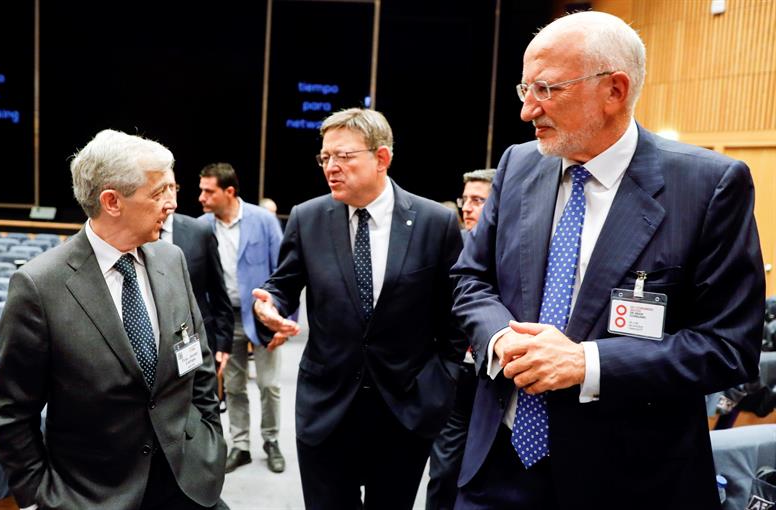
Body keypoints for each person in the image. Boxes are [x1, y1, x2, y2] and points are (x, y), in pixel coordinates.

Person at [451, 11, 764, 510]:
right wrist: (502, 337)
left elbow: (728, 347)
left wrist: (586, 363)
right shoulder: (518, 164)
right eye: (524, 89)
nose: (528, 111)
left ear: (614, 90)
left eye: (547, 90)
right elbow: (471, 279)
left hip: (630, 479)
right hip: (499, 467)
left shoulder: (708, 187)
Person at [0, 129, 226, 510]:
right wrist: (39, 497)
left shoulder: (172, 259)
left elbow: (196, 364)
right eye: (158, 192)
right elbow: (14, 412)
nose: (172, 204)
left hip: (190, 483)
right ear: (112, 201)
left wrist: (211, 440)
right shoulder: (39, 286)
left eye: (173, 188)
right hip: (93, 496)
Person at [252, 107, 465, 509]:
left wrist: (443, 382)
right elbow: (281, 285)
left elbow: (453, 315)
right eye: (325, 157)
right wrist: (270, 305)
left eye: (344, 156)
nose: (331, 167)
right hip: (327, 409)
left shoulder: (434, 223)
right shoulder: (308, 217)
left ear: (381, 158)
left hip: (405, 409)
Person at [197, 163, 286, 474]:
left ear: (229, 192)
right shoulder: (201, 226)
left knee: (269, 384)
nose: (201, 197)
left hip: (263, 316)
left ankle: (271, 441)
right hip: (225, 320)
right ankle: (241, 445)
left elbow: (285, 272)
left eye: (209, 191)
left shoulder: (263, 221)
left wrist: (283, 321)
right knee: (233, 386)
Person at [426, 168, 495, 510]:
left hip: (496, 380)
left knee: (486, 473)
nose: (467, 208)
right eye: (464, 199)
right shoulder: (452, 245)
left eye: (478, 200)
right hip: (455, 374)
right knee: (443, 471)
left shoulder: (514, 251)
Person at [160, 189, 234, 380]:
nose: (168, 195)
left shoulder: (199, 231)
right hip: (150, 345)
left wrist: (223, 342)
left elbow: (218, 291)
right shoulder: (132, 235)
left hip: (196, 341)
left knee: (204, 405)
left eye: (171, 187)